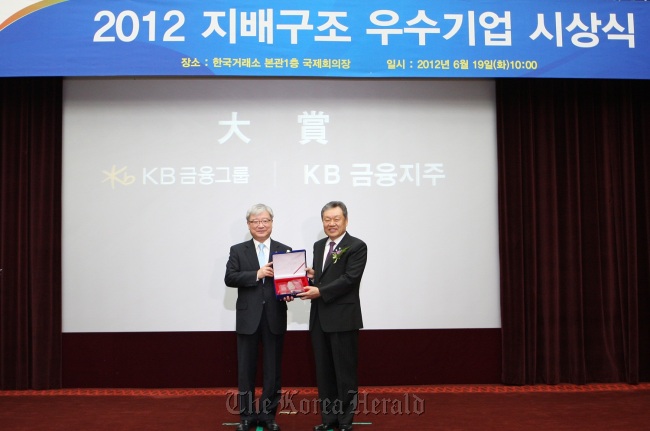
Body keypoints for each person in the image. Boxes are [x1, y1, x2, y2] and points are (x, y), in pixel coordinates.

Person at [298, 201, 368, 431]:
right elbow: (326, 276)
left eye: (336, 219)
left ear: (345, 220)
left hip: (343, 319)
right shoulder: (319, 246)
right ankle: (329, 419)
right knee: (324, 371)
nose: (331, 223)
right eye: (327, 219)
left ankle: (346, 421)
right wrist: (310, 277)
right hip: (320, 318)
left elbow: (350, 279)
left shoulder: (356, 246)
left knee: (344, 372)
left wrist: (320, 290)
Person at [225, 203, 293, 431]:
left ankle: (267, 416)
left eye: (265, 220)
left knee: (272, 371)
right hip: (248, 318)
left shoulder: (285, 250)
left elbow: (291, 282)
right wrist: (257, 273)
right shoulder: (238, 250)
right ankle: (246, 416)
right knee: (246, 369)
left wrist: (290, 292)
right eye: (255, 221)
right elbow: (230, 278)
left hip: (274, 315)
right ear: (249, 225)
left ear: (272, 222)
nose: (261, 225)